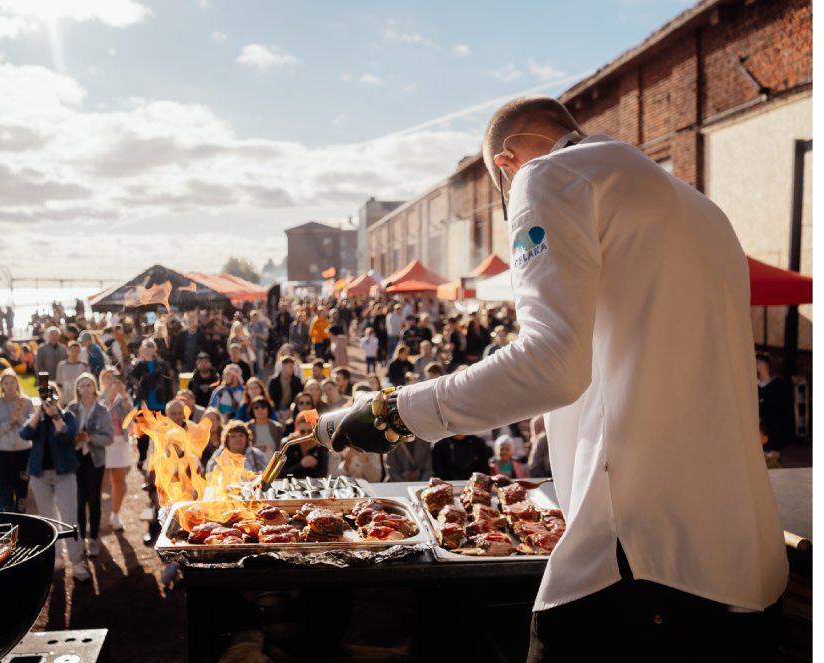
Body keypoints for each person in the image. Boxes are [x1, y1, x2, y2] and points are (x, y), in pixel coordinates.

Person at [314, 96, 786, 659]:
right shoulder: (698, 206)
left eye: (501, 193)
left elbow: (551, 366)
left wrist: (392, 412)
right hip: (743, 563)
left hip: (646, 563)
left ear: (509, 162)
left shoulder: (545, 174)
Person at [19, 384, 88, 580]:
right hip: (39, 474)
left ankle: (76, 562)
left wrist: (55, 415)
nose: (49, 402)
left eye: (52, 398)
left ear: (58, 399)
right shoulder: (36, 418)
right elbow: (24, 434)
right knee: (49, 518)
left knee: (69, 517)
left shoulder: (67, 416)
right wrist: (39, 411)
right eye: (45, 398)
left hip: (64, 473)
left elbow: (66, 437)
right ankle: (57, 556)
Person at [66, 373, 114, 558]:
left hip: (95, 460)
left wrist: (90, 438)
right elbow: (64, 433)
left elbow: (109, 437)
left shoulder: (102, 411)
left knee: (94, 500)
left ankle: (93, 538)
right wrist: (75, 437)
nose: (86, 388)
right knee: (79, 500)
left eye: (89, 385)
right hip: (76, 458)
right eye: (82, 385)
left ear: (95, 387)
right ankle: (79, 539)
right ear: (77, 388)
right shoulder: (71, 408)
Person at [0, 369, 35, 514]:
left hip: (23, 453)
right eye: (6, 383)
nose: (9, 386)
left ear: (17, 383)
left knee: (22, 492)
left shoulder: (26, 402)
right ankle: (5, 525)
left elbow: (32, 428)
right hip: (3, 454)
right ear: (1, 385)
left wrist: (19, 418)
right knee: (4, 492)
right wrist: (10, 421)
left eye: (12, 382)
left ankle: (22, 525)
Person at [126, 339, 176, 469]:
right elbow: (130, 379)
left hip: (160, 404)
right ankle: (142, 458)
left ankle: (158, 460)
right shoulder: (138, 364)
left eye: (150, 346)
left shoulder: (161, 364)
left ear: (154, 349)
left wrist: (170, 396)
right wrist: (138, 386)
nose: (148, 349)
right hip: (143, 405)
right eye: (145, 346)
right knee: (142, 436)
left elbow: (168, 381)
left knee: (160, 435)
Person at [99, 368, 133, 531]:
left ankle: (116, 515)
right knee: (100, 482)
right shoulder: (97, 397)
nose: (111, 381)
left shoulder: (123, 396)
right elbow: (100, 414)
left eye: (113, 378)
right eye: (107, 378)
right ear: (102, 380)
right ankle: (96, 514)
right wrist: (111, 395)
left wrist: (124, 396)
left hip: (121, 442)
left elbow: (130, 414)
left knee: (118, 481)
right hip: (103, 444)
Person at [756, 354, 795, 463]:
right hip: (756, 442)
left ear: (761, 365)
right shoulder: (754, 387)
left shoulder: (779, 389)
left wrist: (777, 447)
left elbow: (786, 418)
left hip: (772, 445)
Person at [277, 412, 326, 479]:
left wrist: (315, 466)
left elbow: (323, 474)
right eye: (302, 431)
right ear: (297, 430)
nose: (306, 435)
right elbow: (282, 474)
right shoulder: (289, 444)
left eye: (310, 431)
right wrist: (300, 465)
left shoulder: (320, 444)